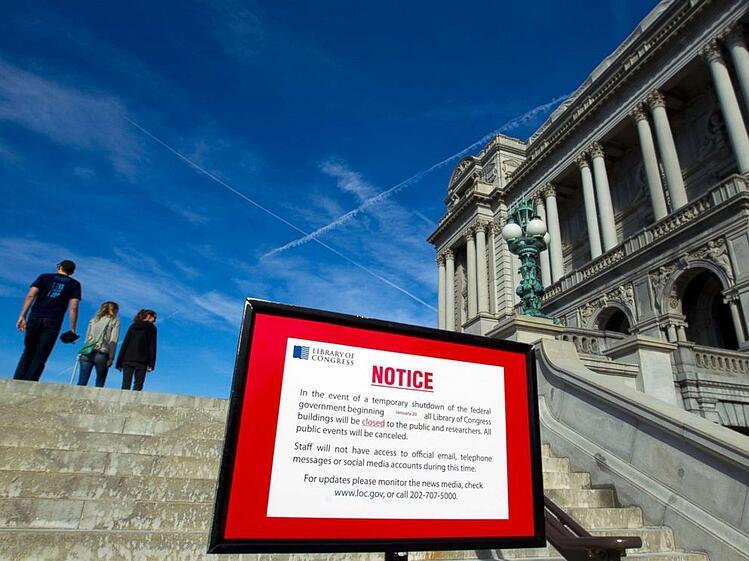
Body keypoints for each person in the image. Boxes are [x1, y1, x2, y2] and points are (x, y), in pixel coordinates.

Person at [14, 260, 81, 382]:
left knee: (29, 350)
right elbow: (74, 306)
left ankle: (18, 379)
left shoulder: (44, 277)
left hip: (35, 316)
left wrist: (22, 315)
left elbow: (31, 295)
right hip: (53, 320)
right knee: (42, 352)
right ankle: (31, 380)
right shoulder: (74, 284)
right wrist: (72, 328)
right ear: (72, 272)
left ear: (59, 267)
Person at [77, 301, 121, 388]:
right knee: (99, 382)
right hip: (102, 352)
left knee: (81, 382)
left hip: (87, 351)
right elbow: (113, 341)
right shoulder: (114, 321)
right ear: (115, 310)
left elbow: (87, 337)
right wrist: (111, 358)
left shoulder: (93, 320)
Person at [116, 309, 157, 391]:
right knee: (138, 384)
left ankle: (123, 401)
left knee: (125, 384)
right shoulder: (152, 328)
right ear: (148, 316)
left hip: (128, 358)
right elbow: (152, 346)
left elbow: (125, 344)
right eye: (154, 317)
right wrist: (151, 364)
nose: (155, 320)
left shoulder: (133, 326)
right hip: (142, 360)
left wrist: (119, 362)